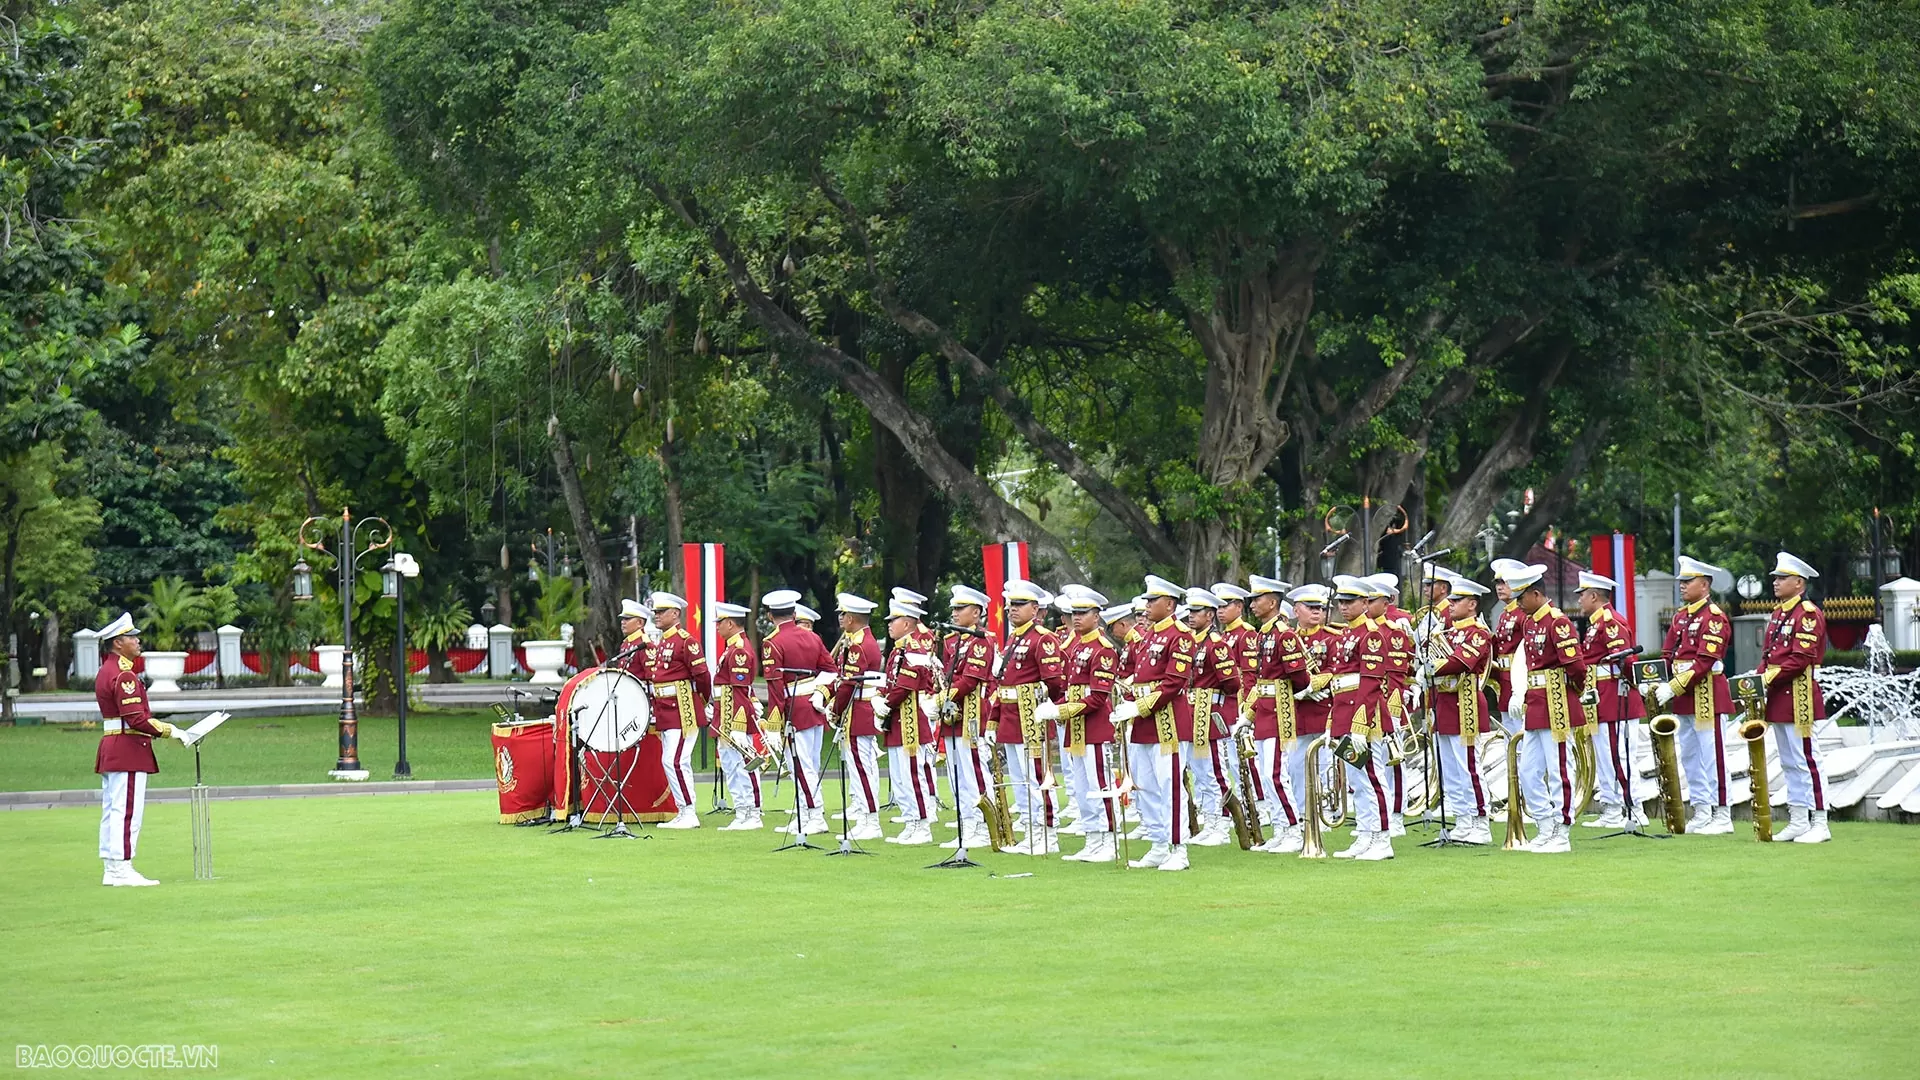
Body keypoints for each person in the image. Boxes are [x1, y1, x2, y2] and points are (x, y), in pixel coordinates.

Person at [94, 613, 190, 886]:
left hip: (116, 746)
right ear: (118, 643)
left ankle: (113, 867)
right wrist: (171, 731)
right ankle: (122, 868)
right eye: (132, 637)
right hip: (128, 748)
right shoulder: (124, 675)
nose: (137, 641)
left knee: (113, 809)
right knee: (126, 811)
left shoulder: (108, 670)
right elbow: (136, 718)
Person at [1110, 575, 1196, 870]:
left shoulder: (1180, 635)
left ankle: (1177, 847)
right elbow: (1138, 676)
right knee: (1144, 785)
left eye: (1152, 601)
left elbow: (1174, 682)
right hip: (1144, 722)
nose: (1146, 606)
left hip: (1168, 721)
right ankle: (1159, 843)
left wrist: (1138, 705)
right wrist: (1127, 700)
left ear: (1169, 604)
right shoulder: (1148, 637)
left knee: (1169, 785)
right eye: (1146, 601)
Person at [1500, 562, 1587, 854]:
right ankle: (1545, 825)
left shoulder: (1557, 621)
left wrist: (1572, 691)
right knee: (1528, 770)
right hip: (1536, 702)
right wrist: (1520, 693)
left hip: (1557, 701)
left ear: (1535, 594)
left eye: (1521, 597)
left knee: (1560, 767)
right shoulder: (1530, 621)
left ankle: (1562, 831)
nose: (1518, 603)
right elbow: (1526, 662)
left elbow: (1575, 666)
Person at [1651, 556, 1736, 835]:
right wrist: (1651, 680)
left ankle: (1722, 812)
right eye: (1682, 582)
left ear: (1705, 584)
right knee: (1690, 753)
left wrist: (1672, 686)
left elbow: (1704, 661)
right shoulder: (1681, 616)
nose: (1683, 586)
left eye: (1688, 582)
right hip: (1685, 694)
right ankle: (1702, 809)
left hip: (1707, 691)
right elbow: (1667, 653)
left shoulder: (1713, 617)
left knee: (1713, 754)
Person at [1037, 588, 1122, 862]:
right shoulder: (1077, 647)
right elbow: (1072, 688)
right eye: (1074, 613)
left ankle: (1108, 840)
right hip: (1076, 728)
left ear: (1096, 617)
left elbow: (1097, 696)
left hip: (1094, 727)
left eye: (1083, 613)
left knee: (1100, 785)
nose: (1076, 618)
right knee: (1083, 789)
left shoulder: (1104, 649)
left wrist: (1060, 709)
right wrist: (1054, 705)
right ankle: (1092, 838)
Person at [1759, 552, 1832, 844]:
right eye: (1776, 578)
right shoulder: (1779, 613)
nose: (1776, 582)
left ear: (1799, 584)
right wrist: (1757, 678)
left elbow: (1799, 659)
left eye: (1782, 578)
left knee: (1807, 759)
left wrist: (1765, 677)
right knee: (1789, 760)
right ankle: (1799, 818)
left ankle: (1820, 821)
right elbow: (1769, 655)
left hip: (1800, 694)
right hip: (1779, 694)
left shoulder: (1808, 614)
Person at [1326, 577, 1399, 861]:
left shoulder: (1371, 635)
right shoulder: (1347, 634)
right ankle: (1366, 835)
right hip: (1345, 709)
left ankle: (1382, 838)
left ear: (1366, 603)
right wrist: (1334, 721)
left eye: (1350, 602)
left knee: (1372, 777)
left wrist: (1360, 727)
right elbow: (1338, 681)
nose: (1344, 607)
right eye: (1341, 602)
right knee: (1358, 780)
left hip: (1365, 716)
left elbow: (1369, 684)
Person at [993, 579, 1067, 855]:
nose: (1013, 609)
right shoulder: (1014, 639)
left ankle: (1048, 831)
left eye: (1020, 604)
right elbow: (1003, 683)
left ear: (1035, 608)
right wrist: (994, 720)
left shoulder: (1043, 638)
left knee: (1038, 777)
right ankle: (1030, 831)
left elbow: (1055, 682)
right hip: (1011, 717)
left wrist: (1053, 707)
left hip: (1031, 717)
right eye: (1011, 604)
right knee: (1020, 780)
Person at [1244, 575, 1312, 853]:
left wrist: (1287, 693)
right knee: (1264, 774)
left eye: (1257, 599)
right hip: (1264, 709)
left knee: (1274, 774)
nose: (1253, 604)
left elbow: (1300, 677)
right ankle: (1282, 827)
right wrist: (1248, 714)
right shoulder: (1263, 634)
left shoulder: (1284, 634)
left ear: (1272, 602)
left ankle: (1294, 828)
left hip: (1280, 711)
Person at [1425, 578, 1496, 844]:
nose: (1451, 605)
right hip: (1443, 704)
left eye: (1456, 601)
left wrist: (1431, 668)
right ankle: (1463, 819)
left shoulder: (1478, 633)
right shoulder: (1446, 633)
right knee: (1450, 770)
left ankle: (1480, 821)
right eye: (1451, 600)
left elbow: (1461, 662)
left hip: (1465, 704)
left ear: (1472, 604)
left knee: (1469, 767)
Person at [1575, 572, 1648, 830]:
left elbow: (1625, 661)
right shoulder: (1597, 622)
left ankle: (1633, 808)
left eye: (1582, 595)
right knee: (1607, 755)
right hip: (1602, 696)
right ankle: (1613, 807)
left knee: (1620, 755)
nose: (1580, 600)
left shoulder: (1609, 622)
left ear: (1594, 596)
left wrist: (1636, 685)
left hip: (1616, 696)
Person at [760, 589, 834, 836]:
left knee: (802, 766)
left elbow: (775, 686)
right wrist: (821, 693)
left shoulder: (772, 642)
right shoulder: (812, 638)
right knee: (809, 763)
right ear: (794, 613)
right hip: (813, 705)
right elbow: (830, 670)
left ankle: (815, 813)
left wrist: (774, 723)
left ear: (770, 616)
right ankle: (804, 813)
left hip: (793, 708)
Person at [933, 584, 998, 849]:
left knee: (974, 772)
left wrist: (938, 699)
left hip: (972, 713)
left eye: (961, 609)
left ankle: (984, 827)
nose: (955, 613)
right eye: (954, 609)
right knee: (957, 774)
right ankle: (967, 824)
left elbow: (971, 680)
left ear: (977, 612)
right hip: (954, 714)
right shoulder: (957, 640)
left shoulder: (981, 641)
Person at [874, 595, 937, 845]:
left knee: (913, 775)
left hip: (911, 721)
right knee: (900, 777)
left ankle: (922, 825)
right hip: (898, 722)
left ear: (908, 623)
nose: (889, 624)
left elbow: (904, 686)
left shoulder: (914, 650)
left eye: (894, 619)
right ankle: (911, 821)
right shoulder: (898, 650)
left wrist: (885, 704)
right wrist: (880, 697)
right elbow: (890, 682)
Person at [1181, 588, 1241, 848]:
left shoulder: (1216, 644)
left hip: (1211, 710)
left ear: (1209, 615)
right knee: (1200, 772)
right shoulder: (1193, 642)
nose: (1191, 616)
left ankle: (1222, 823)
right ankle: (1211, 819)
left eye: (1197, 612)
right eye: (1190, 612)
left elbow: (1232, 682)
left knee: (1215, 771)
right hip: (1192, 711)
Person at [647, 591, 710, 830]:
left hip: (682, 708)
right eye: (655, 612)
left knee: (675, 761)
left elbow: (702, 675)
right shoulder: (664, 640)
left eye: (661, 612)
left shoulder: (686, 641)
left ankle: (689, 811)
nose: (657, 616)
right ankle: (683, 809)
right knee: (671, 761)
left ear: (675, 614)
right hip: (665, 708)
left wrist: (704, 701)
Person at [1283, 584, 1338, 852]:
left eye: (1321, 608)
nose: (1317, 612)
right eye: (1311, 608)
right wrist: (1298, 692)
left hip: (1325, 708)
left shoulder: (1332, 637)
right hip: (1297, 710)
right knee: (1296, 767)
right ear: (1296, 610)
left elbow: (1335, 669)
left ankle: (1325, 813)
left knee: (1325, 765)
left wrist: (1311, 686)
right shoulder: (1289, 639)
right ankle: (1305, 814)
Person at [829, 592, 885, 841]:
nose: (840, 618)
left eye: (843, 614)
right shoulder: (856, 641)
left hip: (859, 712)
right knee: (860, 769)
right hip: (856, 711)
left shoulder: (860, 645)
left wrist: (835, 709)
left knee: (863, 769)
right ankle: (864, 817)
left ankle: (870, 820)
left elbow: (849, 684)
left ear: (851, 618)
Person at [709, 602, 765, 831]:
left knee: (744, 765)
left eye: (720, 623)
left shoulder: (739, 649)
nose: (717, 627)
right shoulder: (732, 647)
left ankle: (753, 813)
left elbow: (740, 691)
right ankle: (742, 811)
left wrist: (738, 726)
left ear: (730, 623)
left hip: (734, 715)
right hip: (725, 712)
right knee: (731, 766)